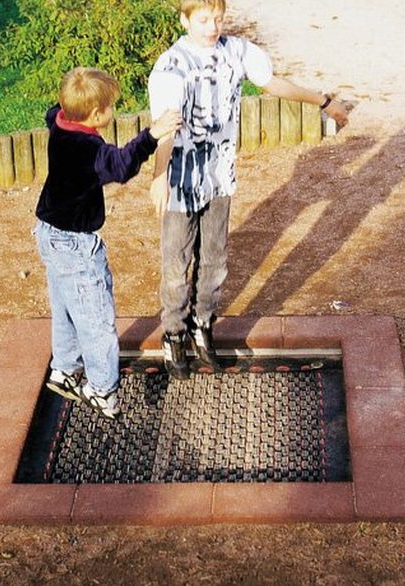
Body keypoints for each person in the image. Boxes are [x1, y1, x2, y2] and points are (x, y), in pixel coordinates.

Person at [148, 0, 350, 379]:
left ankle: (201, 326)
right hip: (181, 181)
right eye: (203, 20)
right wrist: (160, 177)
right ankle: (173, 333)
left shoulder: (235, 51)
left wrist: (322, 100)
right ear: (185, 19)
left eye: (218, 19)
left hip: (219, 176)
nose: (212, 27)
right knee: (176, 263)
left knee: (215, 259)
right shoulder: (171, 67)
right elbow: (167, 125)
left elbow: (272, 82)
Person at [35, 67, 180, 419]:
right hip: (75, 245)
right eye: (109, 106)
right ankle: (101, 390)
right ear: (97, 115)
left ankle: (66, 368)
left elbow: (50, 112)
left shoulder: (60, 122)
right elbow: (120, 166)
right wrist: (153, 134)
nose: (112, 111)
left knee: (66, 307)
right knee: (96, 318)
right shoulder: (87, 148)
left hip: (48, 233)